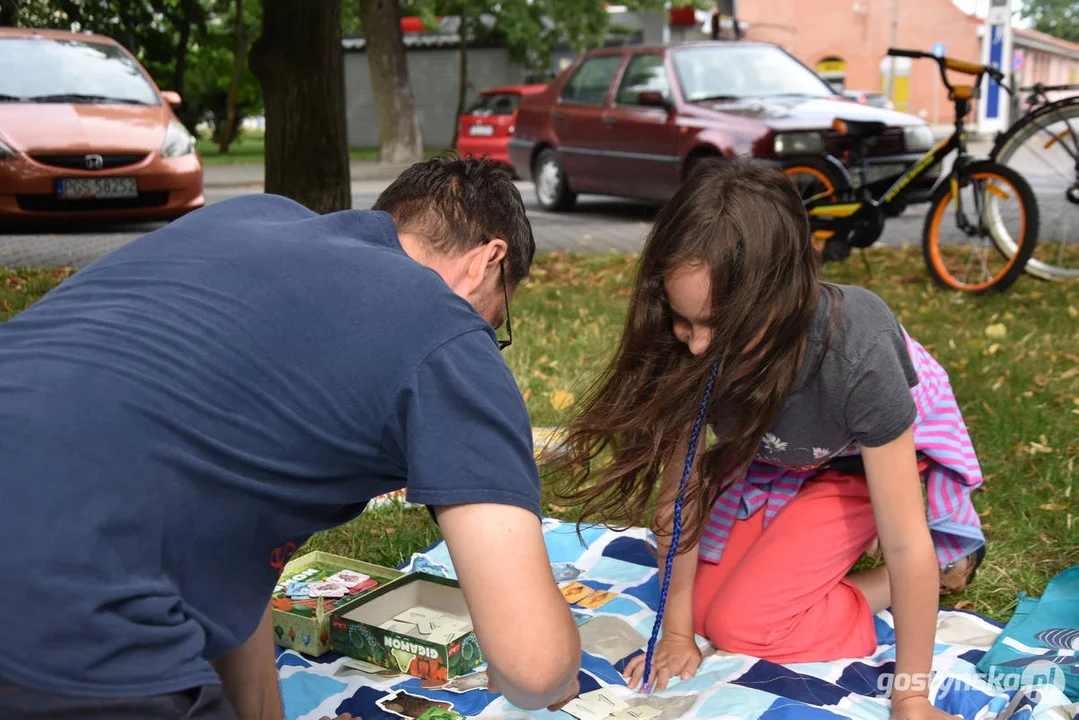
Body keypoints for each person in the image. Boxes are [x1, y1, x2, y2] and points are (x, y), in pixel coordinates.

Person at [0, 157, 580, 718]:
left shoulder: (250, 218)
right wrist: (548, 664)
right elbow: (534, 667)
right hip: (61, 597)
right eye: (497, 320)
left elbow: (238, 554)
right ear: (488, 260)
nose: (487, 333)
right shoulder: (447, 331)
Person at [549, 157, 985, 720]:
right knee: (705, 612)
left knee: (743, 623)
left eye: (719, 327)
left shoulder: (858, 353)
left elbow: (904, 542)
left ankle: (941, 568)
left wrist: (910, 696)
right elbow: (677, 497)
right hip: (776, 461)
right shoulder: (691, 348)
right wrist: (677, 632)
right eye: (685, 322)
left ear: (786, 298)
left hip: (856, 468)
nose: (699, 347)